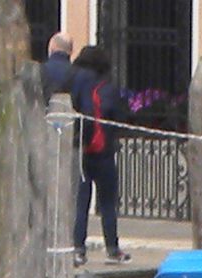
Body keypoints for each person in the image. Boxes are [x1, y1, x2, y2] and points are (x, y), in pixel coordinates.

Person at [66, 40, 119, 262]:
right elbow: (118, 116)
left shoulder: (76, 83)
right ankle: (112, 249)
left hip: (82, 151)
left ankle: (78, 247)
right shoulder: (108, 87)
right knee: (108, 203)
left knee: (81, 201)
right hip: (104, 152)